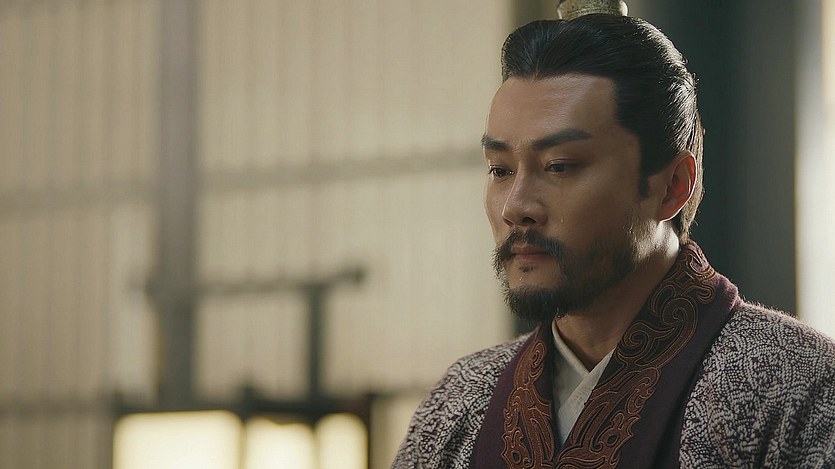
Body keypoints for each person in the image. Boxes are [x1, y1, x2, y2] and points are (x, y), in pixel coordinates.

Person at [391, 12, 835, 469]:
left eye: (559, 166)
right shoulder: (460, 401)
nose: (515, 206)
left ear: (671, 187)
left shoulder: (795, 382)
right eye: (500, 170)